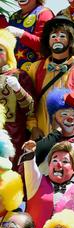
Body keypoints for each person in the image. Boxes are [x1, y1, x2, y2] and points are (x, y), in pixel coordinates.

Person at [26, 16, 74, 139]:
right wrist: (33, 127)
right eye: (53, 36)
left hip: (70, 138)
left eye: (62, 36)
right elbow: (28, 103)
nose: (57, 39)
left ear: (71, 41)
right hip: (41, 136)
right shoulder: (35, 68)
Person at [35, 88, 74, 190]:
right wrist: (56, 133)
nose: (70, 118)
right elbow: (33, 160)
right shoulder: (46, 142)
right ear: (54, 119)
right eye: (64, 114)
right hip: (49, 201)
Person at [0, 29, 35, 158]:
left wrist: (18, 89)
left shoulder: (20, 76)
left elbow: (30, 108)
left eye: (0, 50)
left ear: (8, 54)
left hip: (13, 136)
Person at [7, 0, 54, 71]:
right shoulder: (14, 16)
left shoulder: (44, 14)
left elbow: (45, 45)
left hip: (36, 71)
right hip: (14, 70)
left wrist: (21, 34)